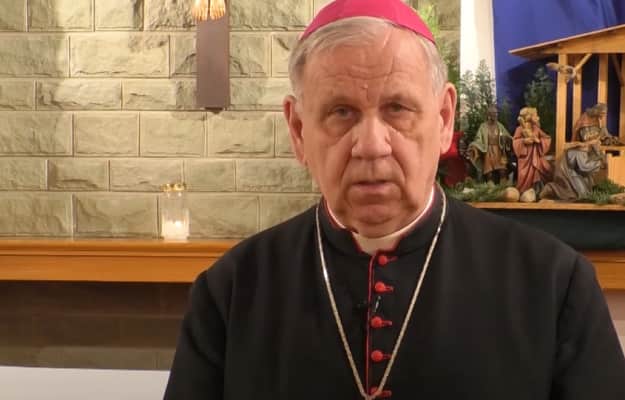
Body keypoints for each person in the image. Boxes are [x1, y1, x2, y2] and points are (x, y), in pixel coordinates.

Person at [164, 1, 625, 399]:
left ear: (444, 118)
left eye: (397, 109)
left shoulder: (553, 284)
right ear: (299, 130)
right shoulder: (231, 292)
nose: (371, 145)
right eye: (341, 112)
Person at [467, 104, 513, 184]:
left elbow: (507, 136)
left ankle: (504, 186)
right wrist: (474, 145)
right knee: (489, 173)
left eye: (496, 113)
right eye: (494, 113)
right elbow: (478, 139)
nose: (496, 115)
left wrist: (506, 139)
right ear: (489, 115)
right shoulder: (483, 127)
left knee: (502, 170)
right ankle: (490, 187)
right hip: (488, 151)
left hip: (499, 151)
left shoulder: (500, 126)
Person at [512, 106, 552, 195]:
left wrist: (539, 141)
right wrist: (524, 141)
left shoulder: (536, 129)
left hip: (536, 155)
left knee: (544, 168)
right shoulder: (520, 129)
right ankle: (525, 191)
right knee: (523, 174)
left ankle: (538, 191)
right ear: (529, 116)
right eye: (535, 115)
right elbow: (515, 141)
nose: (538, 117)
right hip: (525, 157)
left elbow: (547, 138)